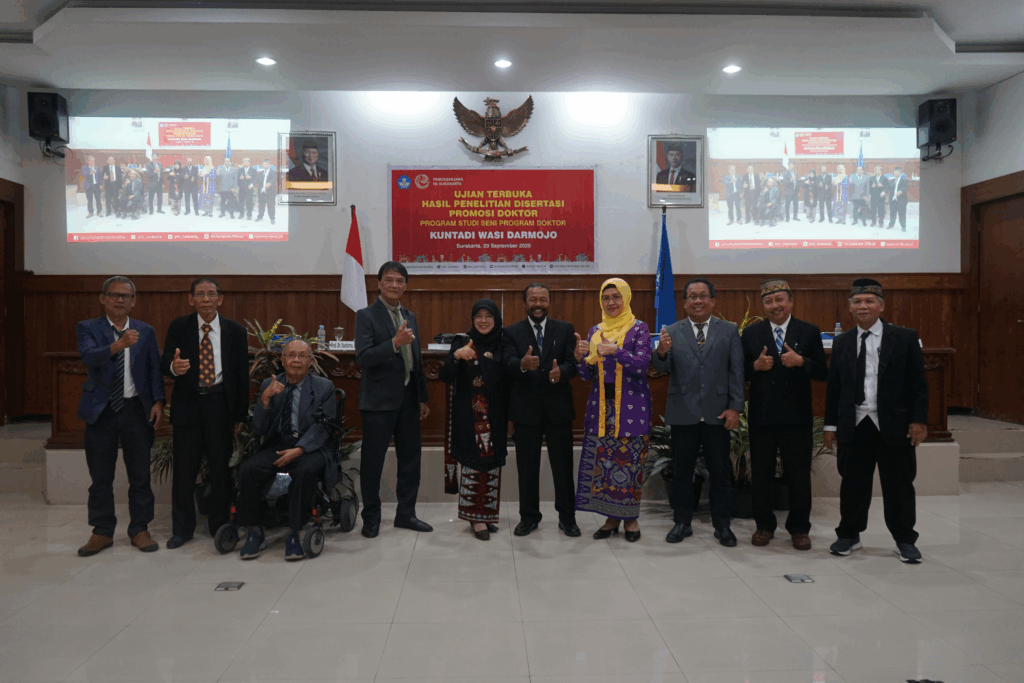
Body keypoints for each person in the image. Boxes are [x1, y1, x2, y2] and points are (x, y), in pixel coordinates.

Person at [825, 279, 928, 563]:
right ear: (850, 308)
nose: (863, 306)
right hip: (855, 424)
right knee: (853, 484)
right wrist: (830, 426)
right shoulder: (842, 341)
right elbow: (834, 388)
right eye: (857, 302)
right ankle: (849, 535)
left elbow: (919, 384)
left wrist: (918, 420)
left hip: (894, 425)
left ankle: (905, 540)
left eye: (869, 301)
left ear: (881, 306)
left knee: (899, 485)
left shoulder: (904, 338)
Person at [75, 276, 165, 557]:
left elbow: (153, 369)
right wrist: (118, 345)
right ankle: (102, 532)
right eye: (114, 295)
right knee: (101, 476)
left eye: (125, 296)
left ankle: (140, 529)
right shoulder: (88, 327)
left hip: (135, 409)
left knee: (140, 475)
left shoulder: (145, 331)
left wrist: (158, 401)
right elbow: (89, 357)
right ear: (103, 298)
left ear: (133, 302)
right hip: (101, 411)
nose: (119, 300)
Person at [653, 278, 744, 547]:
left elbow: (737, 371)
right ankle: (682, 522)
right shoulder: (671, 330)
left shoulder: (729, 330)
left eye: (703, 296)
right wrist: (661, 352)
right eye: (692, 296)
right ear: (684, 303)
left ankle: (722, 525)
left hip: (719, 413)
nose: (698, 300)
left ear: (713, 301)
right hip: (683, 411)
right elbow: (662, 368)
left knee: (720, 472)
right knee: (682, 472)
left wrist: (735, 407)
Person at [160, 277, 249, 549]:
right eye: (200, 294)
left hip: (220, 405)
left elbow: (242, 376)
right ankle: (182, 530)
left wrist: (240, 415)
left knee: (220, 470)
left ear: (220, 299)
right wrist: (174, 368)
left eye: (211, 294)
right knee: (184, 471)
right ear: (191, 299)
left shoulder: (235, 331)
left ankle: (220, 526)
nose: (206, 299)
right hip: (188, 405)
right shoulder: (179, 326)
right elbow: (166, 363)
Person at [741, 279, 828, 550]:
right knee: (761, 474)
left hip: (797, 418)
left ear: (790, 302)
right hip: (762, 417)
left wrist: (802, 362)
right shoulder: (751, 333)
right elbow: (738, 371)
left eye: (779, 300)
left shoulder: (809, 331)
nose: (774, 305)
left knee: (799, 476)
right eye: (768, 301)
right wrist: (755, 366)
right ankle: (764, 526)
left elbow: (823, 372)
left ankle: (799, 529)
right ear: (763, 305)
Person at [236, 340, 337, 561]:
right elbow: (259, 429)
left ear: (310, 361)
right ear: (282, 360)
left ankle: (293, 533)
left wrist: (300, 449)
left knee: (304, 472)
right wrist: (265, 400)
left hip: (310, 448)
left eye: (302, 356)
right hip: (277, 446)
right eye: (291, 355)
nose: (296, 361)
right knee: (248, 469)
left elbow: (325, 427)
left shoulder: (324, 387)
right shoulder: (270, 385)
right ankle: (255, 531)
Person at [354, 261, 432, 538]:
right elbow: (364, 358)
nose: (394, 285)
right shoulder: (366, 315)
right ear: (379, 284)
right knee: (372, 463)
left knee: (410, 461)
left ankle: (406, 514)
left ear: (405, 286)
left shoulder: (409, 315)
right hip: (378, 401)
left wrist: (422, 397)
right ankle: (371, 518)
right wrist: (394, 344)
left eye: (400, 281)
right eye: (389, 280)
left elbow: (416, 360)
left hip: (409, 400)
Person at [573, 279, 651, 542]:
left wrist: (617, 351)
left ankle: (631, 520)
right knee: (605, 465)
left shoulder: (639, 329)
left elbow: (641, 365)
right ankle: (610, 519)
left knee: (631, 465)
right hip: (602, 411)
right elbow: (586, 375)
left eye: (616, 296)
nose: (611, 302)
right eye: (606, 298)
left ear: (626, 298)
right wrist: (579, 357)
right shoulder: (596, 331)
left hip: (631, 410)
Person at [503, 283, 580, 537]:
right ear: (525, 303)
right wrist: (523, 365)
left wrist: (562, 372)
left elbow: (573, 364)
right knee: (527, 468)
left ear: (549, 302)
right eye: (533, 299)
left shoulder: (565, 329)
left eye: (543, 299)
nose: (538, 304)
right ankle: (528, 518)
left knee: (563, 467)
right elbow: (507, 364)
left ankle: (567, 518)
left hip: (559, 409)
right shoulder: (511, 332)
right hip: (525, 411)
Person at [439, 299, 509, 541]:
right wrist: (455, 357)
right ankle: (475, 519)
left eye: (489, 316)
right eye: (479, 316)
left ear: (496, 319)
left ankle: (486, 516)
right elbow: (445, 376)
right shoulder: (461, 341)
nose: (483, 320)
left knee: (491, 467)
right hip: (469, 418)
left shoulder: (503, 343)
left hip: (496, 417)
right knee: (473, 464)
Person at [255, 159, 277, 226]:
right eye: (264, 164)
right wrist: (251, 184)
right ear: (262, 165)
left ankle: (272, 218)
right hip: (261, 192)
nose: (265, 165)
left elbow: (273, 179)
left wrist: (269, 183)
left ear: (269, 165)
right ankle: (260, 216)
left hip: (270, 192)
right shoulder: (260, 173)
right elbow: (256, 180)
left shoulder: (273, 172)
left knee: (271, 206)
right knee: (261, 205)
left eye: (266, 164)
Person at [887, 166, 909, 231]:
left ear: (900, 172)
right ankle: (891, 224)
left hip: (901, 200)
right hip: (893, 200)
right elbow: (888, 188)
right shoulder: (891, 181)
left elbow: (905, 187)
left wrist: (901, 191)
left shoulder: (904, 180)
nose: (895, 173)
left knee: (902, 214)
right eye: (894, 172)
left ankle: (903, 226)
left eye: (897, 172)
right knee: (892, 213)